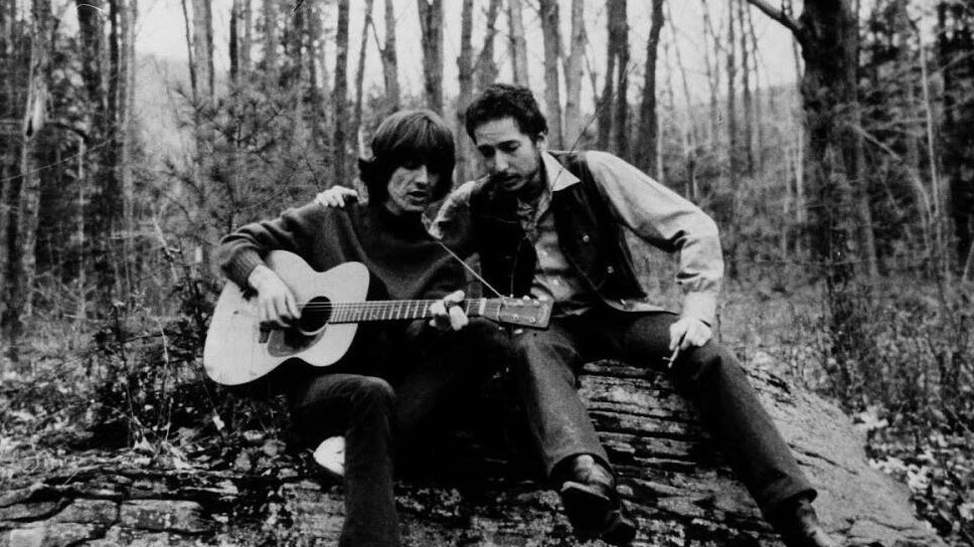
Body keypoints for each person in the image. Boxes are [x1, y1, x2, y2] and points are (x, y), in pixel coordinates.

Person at [318, 84, 839, 547]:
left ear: (540, 137)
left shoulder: (593, 171)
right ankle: (588, 482)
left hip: (619, 314)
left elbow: (693, 226)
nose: (498, 164)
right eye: (486, 152)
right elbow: (414, 243)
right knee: (528, 347)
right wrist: (348, 206)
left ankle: (795, 512)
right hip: (545, 325)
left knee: (707, 357)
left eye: (511, 148)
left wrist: (697, 310)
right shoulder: (474, 202)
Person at [218, 109, 508, 547]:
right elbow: (236, 245)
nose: (422, 179)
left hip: (397, 409)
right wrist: (265, 280)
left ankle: (359, 468)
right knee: (369, 391)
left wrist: (434, 328)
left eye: (434, 169)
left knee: (477, 340)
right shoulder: (333, 217)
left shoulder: (441, 263)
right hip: (324, 397)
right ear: (383, 166)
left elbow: (416, 353)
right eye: (409, 164)